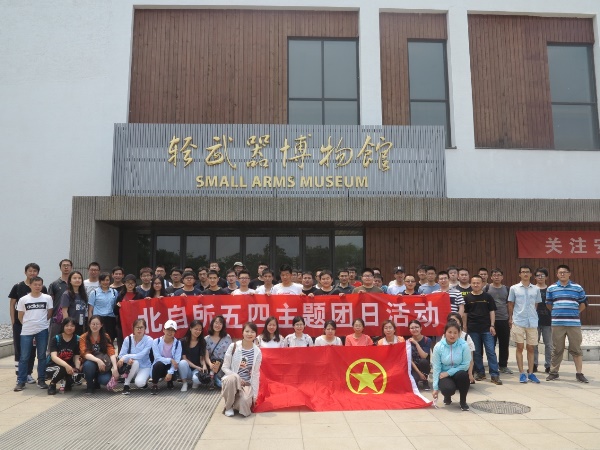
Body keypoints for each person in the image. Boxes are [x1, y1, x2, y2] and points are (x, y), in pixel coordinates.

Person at [546, 265, 588, 383]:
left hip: (574, 323)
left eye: (565, 272)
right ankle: (554, 373)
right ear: (557, 274)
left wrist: (575, 312)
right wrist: (558, 312)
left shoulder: (577, 288)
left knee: (576, 349)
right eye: (560, 272)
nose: (562, 274)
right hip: (557, 323)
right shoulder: (551, 288)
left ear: (569, 274)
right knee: (557, 349)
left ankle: (579, 373)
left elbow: (583, 303)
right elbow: (549, 304)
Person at [9, 263, 47, 382]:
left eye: (35, 271)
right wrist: (13, 321)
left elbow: (47, 308)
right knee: (20, 349)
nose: (32, 273)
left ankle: (28, 373)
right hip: (20, 324)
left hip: (36, 326)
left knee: (32, 350)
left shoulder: (42, 288)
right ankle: (19, 374)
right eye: (30, 271)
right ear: (25, 272)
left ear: (38, 273)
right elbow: (12, 304)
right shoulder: (18, 286)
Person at [14, 276, 52, 391]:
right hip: (26, 331)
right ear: (30, 285)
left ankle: (41, 380)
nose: (37, 287)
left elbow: (49, 313)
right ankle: (21, 381)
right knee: (24, 356)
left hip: (42, 330)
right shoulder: (23, 299)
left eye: (40, 284)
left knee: (41, 356)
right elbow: (20, 316)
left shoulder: (47, 298)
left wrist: (41, 323)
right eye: (35, 284)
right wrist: (28, 324)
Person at [464, 275, 502, 385]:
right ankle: (480, 372)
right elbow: (465, 313)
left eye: (478, 283)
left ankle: (494, 374)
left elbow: (492, 311)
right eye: (474, 283)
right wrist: (465, 326)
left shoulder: (487, 296)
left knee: (491, 351)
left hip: (486, 328)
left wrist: (492, 325)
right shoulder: (467, 298)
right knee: (476, 352)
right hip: (472, 328)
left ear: (482, 284)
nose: (476, 285)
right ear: (471, 284)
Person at [508, 265, 542, 384]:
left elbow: (536, 304)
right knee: (520, 347)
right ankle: (522, 373)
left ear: (531, 274)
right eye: (523, 272)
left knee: (531, 348)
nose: (525, 274)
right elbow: (511, 303)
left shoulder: (536, 289)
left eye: (527, 272)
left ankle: (531, 373)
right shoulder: (514, 288)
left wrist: (532, 314)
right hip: (518, 321)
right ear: (519, 274)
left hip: (532, 321)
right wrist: (511, 318)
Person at [222, 322, 263, 417]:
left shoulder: (257, 352)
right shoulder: (234, 346)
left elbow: (256, 374)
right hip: (232, 380)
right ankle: (228, 407)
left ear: (256, 334)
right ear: (242, 332)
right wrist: (237, 378)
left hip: (246, 383)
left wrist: (255, 395)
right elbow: (224, 367)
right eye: (247, 331)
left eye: (252, 332)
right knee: (232, 379)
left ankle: (234, 400)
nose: (249, 334)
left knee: (245, 404)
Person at [432, 321, 472, 411]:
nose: (452, 335)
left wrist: (449, 372)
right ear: (445, 333)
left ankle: (463, 401)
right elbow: (436, 367)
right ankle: (447, 396)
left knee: (464, 375)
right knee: (448, 389)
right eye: (449, 332)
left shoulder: (464, 345)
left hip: (458, 373)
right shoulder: (438, 346)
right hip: (444, 375)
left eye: (455, 332)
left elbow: (466, 364)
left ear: (459, 333)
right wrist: (435, 388)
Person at [79, 315, 119, 394]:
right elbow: (84, 353)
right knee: (88, 365)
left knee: (105, 380)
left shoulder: (106, 336)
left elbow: (111, 352)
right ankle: (89, 385)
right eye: (93, 324)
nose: (95, 326)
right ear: (89, 324)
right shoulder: (83, 337)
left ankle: (97, 381)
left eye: (97, 324)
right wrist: (98, 360)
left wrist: (115, 368)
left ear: (101, 325)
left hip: (104, 364)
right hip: (90, 362)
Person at [46, 317, 82, 395]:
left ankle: (67, 381)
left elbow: (77, 357)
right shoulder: (56, 338)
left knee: (71, 380)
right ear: (63, 326)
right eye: (67, 325)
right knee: (62, 368)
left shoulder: (77, 339)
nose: (69, 328)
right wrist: (67, 366)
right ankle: (52, 384)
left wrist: (77, 369)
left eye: (72, 326)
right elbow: (54, 357)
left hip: (69, 366)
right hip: (53, 366)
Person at [117, 318, 153, 394]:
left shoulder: (149, 340)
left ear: (145, 329)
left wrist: (125, 357)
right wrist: (127, 360)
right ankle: (126, 385)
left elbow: (141, 355)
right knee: (135, 362)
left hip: (145, 366)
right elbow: (121, 355)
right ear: (133, 329)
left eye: (141, 327)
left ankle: (143, 382)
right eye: (137, 327)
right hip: (131, 366)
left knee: (139, 383)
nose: (139, 330)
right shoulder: (128, 339)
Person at [487, 268, 512, 374]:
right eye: (494, 275)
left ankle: (503, 365)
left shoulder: (507, 289)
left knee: (504, 344)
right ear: (491, 277)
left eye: (498, 275)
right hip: (490, 321)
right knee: (490, 345)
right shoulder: (487, 288)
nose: (496, 277)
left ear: (502, 277)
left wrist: (510, 318)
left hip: (504, 319)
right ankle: (492, 365)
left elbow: (509, 304)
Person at [150, 319, 182, 394]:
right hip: (160, 365)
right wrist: (170, 360)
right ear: (163, 330)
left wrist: (170, 372)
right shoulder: (156, 341)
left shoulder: (178, 343)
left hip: (171, 366)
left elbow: (177, 360)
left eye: (172, 330)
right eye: (168, 329)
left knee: (175, 367)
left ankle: (170, 381)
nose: (170, 332)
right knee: (158, 364)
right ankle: (155, 384)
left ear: (175, 332)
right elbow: (157, 358)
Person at [179, 320, 212, 391]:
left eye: (200, 330)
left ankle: (195, 382)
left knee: (196, 380)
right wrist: (195, 366)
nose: (198, 331)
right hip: (187, 369)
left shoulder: (202, 341)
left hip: (197, 369)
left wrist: (204, 365)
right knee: (182, 363)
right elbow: (184, 358)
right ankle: (184, 383)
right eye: (196, 329)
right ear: (190, 328)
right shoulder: (183, 341)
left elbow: (201, 358)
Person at [47, 259, 72, 347]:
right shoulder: (54, 284)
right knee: (54, 342)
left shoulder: (75, 284)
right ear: (60, 268)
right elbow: (50, 302)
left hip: (71, 318)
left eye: (68, 265)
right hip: (57, 319)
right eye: (64, 265)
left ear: (71, 268)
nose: (66, 267)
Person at [88, 272, 119, 342]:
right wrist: (90, 323)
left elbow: (116, 307)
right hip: (98, 319)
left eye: (107, 280)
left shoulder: (114, 292)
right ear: (100, 281)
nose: (105, 282)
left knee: (110, 340)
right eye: (103, 280)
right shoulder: (94, 293)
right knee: (98, 340)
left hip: (111, 320)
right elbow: (90, 310)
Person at [447, 312, 475, 384]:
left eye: (455, 321)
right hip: (448, 367)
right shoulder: (444, 337)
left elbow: (471, 359)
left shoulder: (466, 337)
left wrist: (470, 374)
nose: (453, 323)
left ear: (460, 323)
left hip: (463, 368)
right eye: (450, 321)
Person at [205, 315, 233, 388]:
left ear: (223, 326)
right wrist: (210, 364)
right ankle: (214, 379)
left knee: (225, 383)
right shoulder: (207, 339)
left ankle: (216, 379)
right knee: (221, 384)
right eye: (216, 323)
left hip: (225, 365)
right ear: (212, 324)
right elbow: (206, 356)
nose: (218, 325)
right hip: (213, 365)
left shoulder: (227, 337)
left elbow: (231, 353)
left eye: (220, 323)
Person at [534, 267, 552, 373]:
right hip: (534, 321)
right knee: (534, 344)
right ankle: (534, 364)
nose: (540, 277)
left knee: (548, 344)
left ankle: (548, 365)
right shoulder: (532, 289)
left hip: (548, 321)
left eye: (542, 275)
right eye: (538, 275)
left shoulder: (550, 289)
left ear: (546, 277)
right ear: (535, 277)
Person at [60, 270, 89, 336]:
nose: (77, 280)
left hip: (82, 324)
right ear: (70, 281)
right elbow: (64, 311)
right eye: (74, 278)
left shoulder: (83, 294)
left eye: (79, 278)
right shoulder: (66, 294)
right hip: (71, 325)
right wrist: (68, 325)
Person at [407, 320, 432, 390]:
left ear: (421, 328)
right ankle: (417, 379)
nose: (414, 329)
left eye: (416, 327)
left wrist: (416, 343)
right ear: (409, 330)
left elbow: (424, 356)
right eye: (412, 328)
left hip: (424, 365)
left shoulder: (427, 340)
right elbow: (410, 360)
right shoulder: (408, 342)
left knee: (423, 361)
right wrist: (419, 373)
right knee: (414, 381)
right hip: (414, 366)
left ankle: (425, 381)